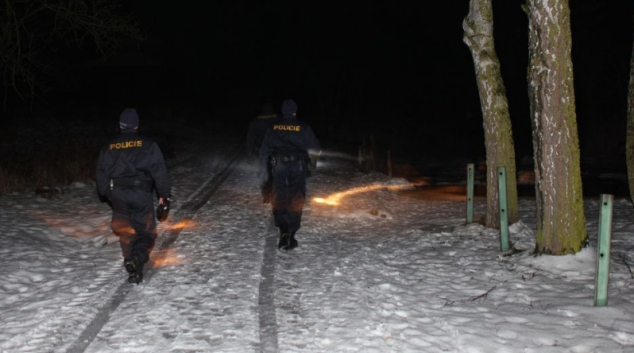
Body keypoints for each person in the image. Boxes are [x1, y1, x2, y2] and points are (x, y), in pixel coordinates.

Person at [96, 108, 170, 284]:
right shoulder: (149, 145)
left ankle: (131, 264)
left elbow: (101, 174)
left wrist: (109, 194)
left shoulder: (109, 147)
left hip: (118, 194)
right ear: (137, 125)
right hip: (141, 193)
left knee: (126, 231)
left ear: (120, 125)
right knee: (146, 232)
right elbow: (160, 171)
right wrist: (164, 195)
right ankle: (136, 259)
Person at [258, 99, 320, 250]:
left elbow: (264, 150)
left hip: (279, 165)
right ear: (295, 111)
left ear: (282, 111)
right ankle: (291, 233)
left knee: (279, 195)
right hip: (297, 165)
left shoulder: (273, 127)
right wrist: (313, 164)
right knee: (296, 196)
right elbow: (315, 148)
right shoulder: (303, 127)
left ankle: (283, 227)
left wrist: (263, 169)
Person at [246, 103, 279, 203]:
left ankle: (265, 193)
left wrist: (249, 153)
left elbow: (250, 138)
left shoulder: (256, 120)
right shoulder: (278, 118)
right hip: (275, 149)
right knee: (274, 171)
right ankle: (273, 191)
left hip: (260, 150)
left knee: (263, 171)